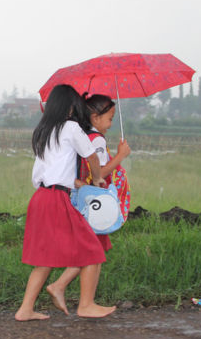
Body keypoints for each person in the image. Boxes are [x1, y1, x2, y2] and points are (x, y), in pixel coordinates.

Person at [15, 85, 117, 321]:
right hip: (57, 199)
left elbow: (47, 171)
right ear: (70, 106)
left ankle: (25, 310)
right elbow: (91, 155)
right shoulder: (70, 127)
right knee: (93, 249)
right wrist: (98, 178)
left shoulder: (44, 131)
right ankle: (86, 305)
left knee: (45, 257)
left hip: (41, 197)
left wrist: (75, 183)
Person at [46, 94, 131, 315]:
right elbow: (100, 172)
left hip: (82, 199)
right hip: (96, 201)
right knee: (94, 250)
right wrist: (121, 156)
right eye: (109, 119)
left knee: (92, 249)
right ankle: (84, 303)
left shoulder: (83, 135)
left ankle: (62, 287)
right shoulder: (97, 140)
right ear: (95, 117)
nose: (111, 125)